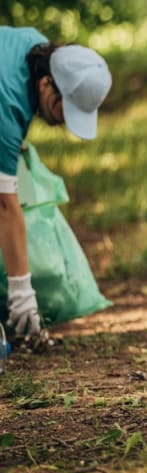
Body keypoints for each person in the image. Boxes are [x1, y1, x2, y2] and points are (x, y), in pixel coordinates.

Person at [0, 28, 112, 345]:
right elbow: (5, 208)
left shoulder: (34, 46)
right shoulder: (6, 109)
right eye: (65, 109)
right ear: (47, 83)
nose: (64, 121)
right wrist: (22, 291)